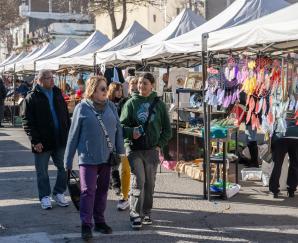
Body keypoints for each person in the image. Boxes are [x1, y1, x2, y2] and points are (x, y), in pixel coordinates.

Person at [64, 76, 125, 240]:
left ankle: (100, 221)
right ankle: (86, 224)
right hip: (88, 157)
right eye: (103, 89)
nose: (106, 92)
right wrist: (68, 160)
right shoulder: (82, 108)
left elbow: (118, 129)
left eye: (106, 88)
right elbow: (73, 135)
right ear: (93, 90)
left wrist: (121, 152)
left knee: (103, 191)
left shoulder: (111, 106)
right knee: (87, 191)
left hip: (107, 157)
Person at [120, 73, 172, 229]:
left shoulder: (159, 104)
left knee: (150, 184)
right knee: (139, 182)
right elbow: (121, 128)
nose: (141, 86)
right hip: (134, 149)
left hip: (151, 151)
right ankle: (135, 214)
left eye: (145, 83)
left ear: (152, 85)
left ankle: (147, 212)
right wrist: (131, 133)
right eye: (140, 83)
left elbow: (168, 130)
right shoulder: (130, 103)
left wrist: (159, 145)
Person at [22, 70, 70, 209]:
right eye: (48, 78)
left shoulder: (57, 93)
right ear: (40, 80)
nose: (52, 80)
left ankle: (59, 192)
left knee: (64, 167)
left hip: (60, 139)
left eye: (52, 77)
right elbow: (27, 122)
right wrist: (35, 141)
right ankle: (44, 196)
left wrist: (69, 132)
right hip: (42, 141)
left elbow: (65, 114)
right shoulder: (31, 97)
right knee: (42, 171)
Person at [269, 117, 298, 198]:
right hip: (296, 136)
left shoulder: (276, 104)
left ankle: (274, 190)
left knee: (277, 165)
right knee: (295, 165)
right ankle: (291, 190)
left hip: (280, 135)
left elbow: (271, 119)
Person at [107, 82, 124, 196]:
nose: (119, 92)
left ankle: (115, 184)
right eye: (117, 90)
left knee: (115, 161)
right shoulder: (107, 103)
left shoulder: (124, 102)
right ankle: (115, 183)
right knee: (111, 161)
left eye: (121, 90)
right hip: (108, 135)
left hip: (120, 134)